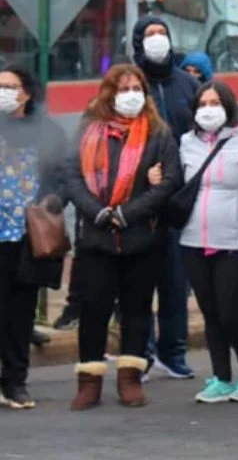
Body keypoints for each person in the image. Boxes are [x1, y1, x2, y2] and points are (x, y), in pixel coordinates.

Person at [65, 64, 182, 410]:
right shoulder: (88, 130)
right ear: (109, 93)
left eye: (136, 88)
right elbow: (71, 175)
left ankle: (130, 378)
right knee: (93, 310)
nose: (131, 95)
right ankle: (89, 382)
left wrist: (126, 214)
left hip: (141, 238)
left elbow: (170, 181)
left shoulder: (158, 133)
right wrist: (98, 212)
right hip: (97, 239)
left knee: (137, 310)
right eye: (123, 88)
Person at [179, 82, 238, 404]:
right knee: (211, 313)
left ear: (228, 105)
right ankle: (221, 377)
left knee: (231, 313)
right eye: (202, 103)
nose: (208, 109)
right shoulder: (186, 143)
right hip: (193, 241)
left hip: (237, 241)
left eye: (215, 102)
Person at [132, 15, 200, 381]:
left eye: (163, 33)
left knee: (175, 282)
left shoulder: (188, 85)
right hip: (138, 202)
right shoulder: (128, 86)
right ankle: (139, 355)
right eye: (150, 34)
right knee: (139, 282)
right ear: (138, 41)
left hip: (178, 200)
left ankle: (173, 352)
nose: (157, 40)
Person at [0, 65, 68, 410]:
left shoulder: (46, 131)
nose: (5, 92)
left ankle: (15, 381)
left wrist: (54, 199)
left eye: (11, 86)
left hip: (27, 237)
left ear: (26, 92)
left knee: (20, 312)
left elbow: (63, 173)